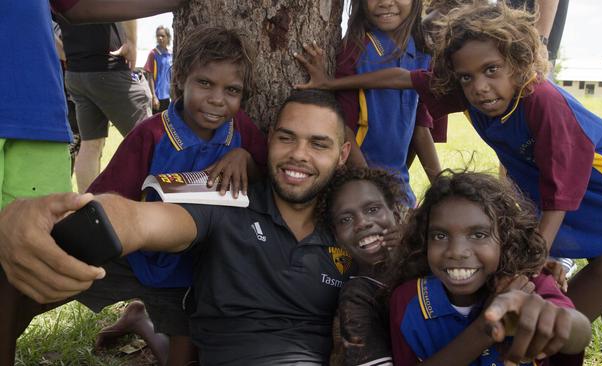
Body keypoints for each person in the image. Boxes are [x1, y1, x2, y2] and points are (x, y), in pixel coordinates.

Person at [294, 3, 602, 362]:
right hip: (562, 184)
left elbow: (558, 199)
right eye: (467, 76)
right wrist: (330, 84)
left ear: (520, 62)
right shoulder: (471, 93)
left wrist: (524, 266)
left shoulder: (543, 99)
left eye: (492, 70)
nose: (480, 87)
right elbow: (403, 77)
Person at [0, 89, 353, 365]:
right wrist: (64, 218)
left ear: (343, 155)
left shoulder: (353, 229)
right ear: (270, 137)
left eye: (319, 144)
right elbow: (141, 220)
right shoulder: (228, 202)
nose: (298, 154)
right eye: (287, 138)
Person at [0, 1, 186, 362]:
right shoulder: (149, 127)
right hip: (61, 98)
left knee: (28, 266)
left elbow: (72, 6)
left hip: (38, 117)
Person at [84, 26, 267, 365]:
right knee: (35, 287)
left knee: (185, 357)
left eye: (232, 90)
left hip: (193, 272)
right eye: (205, 83)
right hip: (134, 255)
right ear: (181, 77)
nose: (216, 99)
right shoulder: (151, 135)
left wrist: (246, 160)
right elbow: (105, 198)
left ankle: (140, 319)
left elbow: (268, 175)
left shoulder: (241, 130)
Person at [388, 171, 592, 365]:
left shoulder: (529, 285)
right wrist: (485, 330)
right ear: (424, 241)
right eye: (440, 236)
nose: (457, 252)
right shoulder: (408, 302)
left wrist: (555, 319)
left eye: (478, 235)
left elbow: (579, 332)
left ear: (505, 239)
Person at [322, 0, 443, 206]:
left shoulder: (422, 52)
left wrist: (442, 188)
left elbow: (420, 128)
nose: (386, 2)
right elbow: (343, 130)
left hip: (400, 190)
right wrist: (375, 192)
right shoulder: (355, 50)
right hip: (359, 189)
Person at [319, 167, 405, 366]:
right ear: (336, 236)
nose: (362, 223)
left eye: (373, 210)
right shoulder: (358, 295)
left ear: (396, 211)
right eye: (346, 220)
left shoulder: (427, 259)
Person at [58, 19, 152, 193]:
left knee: (90, 144)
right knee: (148, 142)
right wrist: (131, 42)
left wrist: (66, 53)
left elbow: (44, 21)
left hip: (76, 73)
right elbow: (127, 5)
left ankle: (89, 209)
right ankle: (149, 204)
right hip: (109, 67)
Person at [144, 25, 173, 113]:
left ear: (168, 37)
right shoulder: (153, 53)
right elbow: (150, 76)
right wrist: (153, 96)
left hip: (169, 96)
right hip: (158, 97)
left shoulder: (171, 54)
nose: (160, 38)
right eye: (158, 36)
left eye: (163, 36)